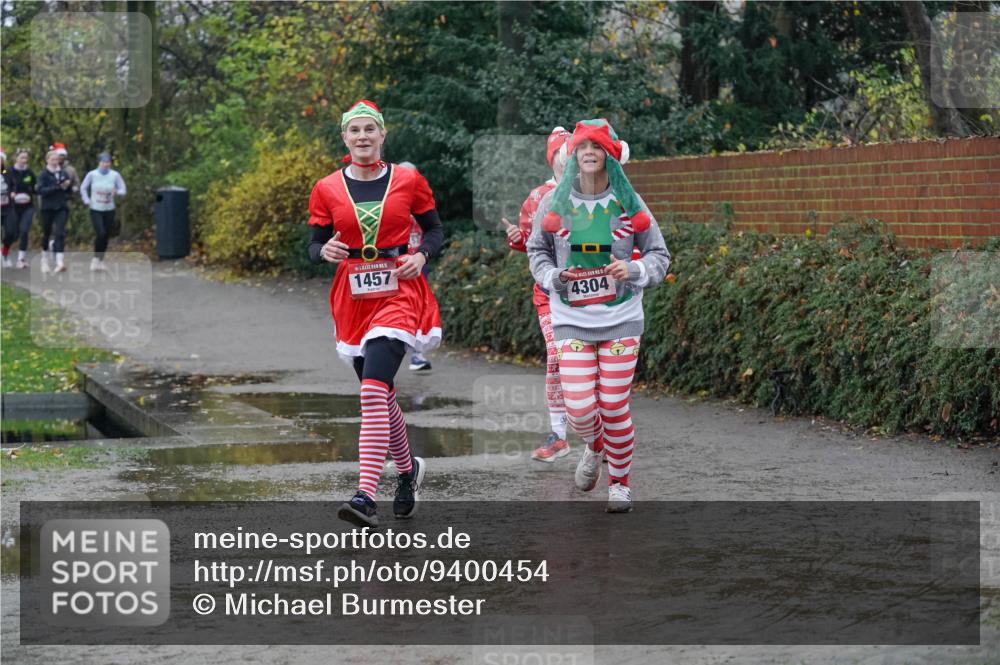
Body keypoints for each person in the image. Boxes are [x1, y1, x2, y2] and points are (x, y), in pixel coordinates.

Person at [307, 100, 444, 528]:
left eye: (370, 129)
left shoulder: (407, 179)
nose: (363, 136)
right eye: (355, 131)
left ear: (383, 135)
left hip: (398, 290)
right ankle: (408, 472)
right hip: (352, 295)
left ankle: (365, 494)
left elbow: (437, 229)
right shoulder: (326, 187)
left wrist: (421, 256)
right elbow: (313, 244)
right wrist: (323, 250)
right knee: (380, 394)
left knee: (371, 391)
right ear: (344, 138)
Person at [527, 119, 670, 513]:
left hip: (621, 318)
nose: (589, 153)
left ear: (611, 156)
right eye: (582, 148)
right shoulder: (552, 203)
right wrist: (553, 277)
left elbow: (659, 254)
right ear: (572, 156)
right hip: (571, 318)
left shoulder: (630, 201)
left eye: (598, 148)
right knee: (580, 410)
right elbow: (536, 251)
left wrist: (635, 271)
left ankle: (620, 482)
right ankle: (595, 445)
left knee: (611, 404)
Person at [502, 127, 572, 463]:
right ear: (553, 160)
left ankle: (598, 432)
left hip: (590, 295)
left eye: (570, 155)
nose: (566, 162)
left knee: (589, 363)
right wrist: (517, 238)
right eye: (561, 157)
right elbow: (533, 246)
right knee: (557, 356)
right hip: (548, 293)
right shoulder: (538, 196)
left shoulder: (596, 193)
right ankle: (559, 434)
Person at [80, 153, 127, 271]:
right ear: (99, 162)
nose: (105, 164)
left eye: (107, 162)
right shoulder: (92, 174)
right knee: (100, 233)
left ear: (110, 163)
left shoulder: (115, 175)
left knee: (106, 235)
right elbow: (83, 188)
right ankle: (95, 259)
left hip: (109, 209)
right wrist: (86, 200)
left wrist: (117, 192)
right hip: (95, 208)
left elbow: (123, 190)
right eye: (103, 162)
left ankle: (100, 260)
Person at [36, 150, 72, 274]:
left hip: (61, 206)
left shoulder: (63, 172)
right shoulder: (43, 175)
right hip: (47, 207)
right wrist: (58, 187)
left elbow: (68, 189)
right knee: (46, 233)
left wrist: (68, 186)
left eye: (57, 160)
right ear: (47, 160)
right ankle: (44, 258)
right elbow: (40, 190)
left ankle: (59, 261)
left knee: (60, 232)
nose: (55, 162)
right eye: (52, 160)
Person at [6, 149, 36, 269]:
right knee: (13, 234)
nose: (24, 160)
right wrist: (10, 193)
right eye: (22, 158)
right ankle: (4, 250)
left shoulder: (29, 173)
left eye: (26, 158)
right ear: (16, 158)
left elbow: (35, 187)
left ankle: (21, 259)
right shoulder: (8, 170)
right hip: (12, 207)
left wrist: (36, 190)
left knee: (24, 231)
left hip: (27, 206)